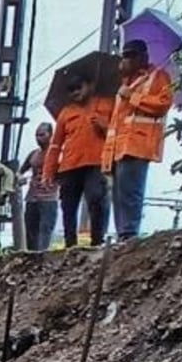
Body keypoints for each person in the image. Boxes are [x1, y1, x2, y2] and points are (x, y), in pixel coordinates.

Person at [104, 40, 175, 241]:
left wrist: (132, 97)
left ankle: (128, 235)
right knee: (119, 195)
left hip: (138, 144)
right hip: (119, 147)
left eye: (131, 56)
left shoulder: (158, 77)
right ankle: (123, 235)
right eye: (124, 56)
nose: (126, 60)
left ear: (143, 57)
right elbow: (116, 122)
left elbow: (163, 104)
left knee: (130, 193)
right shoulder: (125, 85)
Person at [42, 71, 114, 248]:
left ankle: (97, 240)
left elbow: (119, 133)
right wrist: (48, 172)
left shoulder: (106, 105)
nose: (75, 93)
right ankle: (70, 244)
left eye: (78, 88)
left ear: (89, 85)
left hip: (96, 163)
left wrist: (105, 126)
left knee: (96, 198)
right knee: (68, 206)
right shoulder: (66, 112)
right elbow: (55, 145)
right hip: (70, 166)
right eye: (71, 90)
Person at [20, 122, 59, 252]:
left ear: (51, 135)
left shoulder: (57, 154)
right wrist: (19, 178)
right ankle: (32, 257)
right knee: (31, 231)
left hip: (49, 198)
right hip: (32, 197)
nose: (38, 138)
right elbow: (21, 170)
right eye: (37, 135)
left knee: (45, 231)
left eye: (42, 135)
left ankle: (42, 257)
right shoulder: (33, 154)